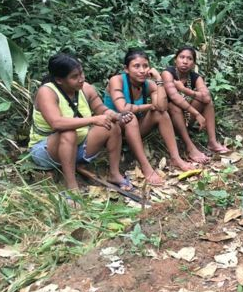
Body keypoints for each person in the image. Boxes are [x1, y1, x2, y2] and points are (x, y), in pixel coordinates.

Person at [29, 53, 134, 193]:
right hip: (46, 151)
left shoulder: (86, 88)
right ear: (59, 80)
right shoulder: (46, 92)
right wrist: (93, 119)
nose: (81, 79)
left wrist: (117, 116)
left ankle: (114, 174)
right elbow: (57, 123)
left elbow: (100, 109)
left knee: (112, 126)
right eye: (74, 77)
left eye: (81, 73)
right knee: (68, 132)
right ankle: (71, 187)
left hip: (77, 147)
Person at [103, 49, 195, 185]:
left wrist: (158, 80)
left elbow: (162, 107)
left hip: (134, 130)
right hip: (114, 130)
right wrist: (149, 106)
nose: (142, 70)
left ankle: (176, 158)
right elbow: (123, 108)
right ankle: (146, 167)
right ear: (126, 69)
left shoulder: (148, 84)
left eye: (145, 66)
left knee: (160, 114)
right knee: (130, 116)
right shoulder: (117, 81)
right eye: (136, 66)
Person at [162, 46, 229, 164]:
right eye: (182, 57)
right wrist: (196, 113)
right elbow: (173, 97)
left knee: (207, 102)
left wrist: (184, 89)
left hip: (187, 118)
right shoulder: (168, 73)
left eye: (189, 59)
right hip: (170, 122)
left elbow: (206, 97)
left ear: (193, 64)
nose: (185, 61)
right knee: (174, 106)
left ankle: (212, 142)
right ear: (175, 60)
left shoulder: (195, 77)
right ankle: (190, 147)